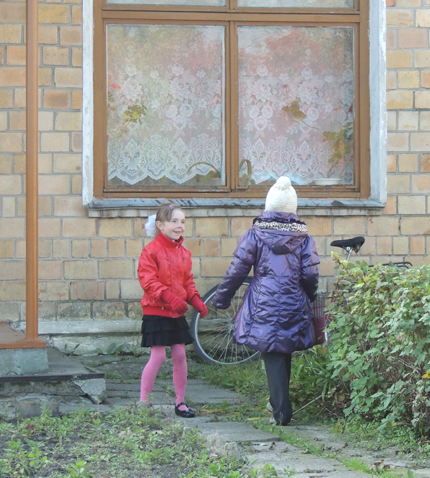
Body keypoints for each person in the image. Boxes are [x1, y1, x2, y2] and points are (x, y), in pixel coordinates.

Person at [211, 176, 320, 425]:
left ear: (268, 206)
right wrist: (310, 296)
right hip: (293, 300)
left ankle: (281, 413)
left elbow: (237, 270)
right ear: (293, 209)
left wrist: (222, 298)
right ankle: (278, 403)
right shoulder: (304, 239)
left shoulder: (255, 235)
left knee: (273, 351)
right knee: (282, 350)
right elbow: (310, 274)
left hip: (263, 303)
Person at [137, 203, 208, 417]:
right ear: (160, 225)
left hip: (176, 313)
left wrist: (195, 300)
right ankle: (144, 402)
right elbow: (148, 281)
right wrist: (168, 297)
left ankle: (180, 402)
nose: (180, 225)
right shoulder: (151, 251)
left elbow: (187, 282)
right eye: (174, 221)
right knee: (158, 356)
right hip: (156, 311)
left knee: (180, 354)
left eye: (183, 221)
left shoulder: (185, 253)